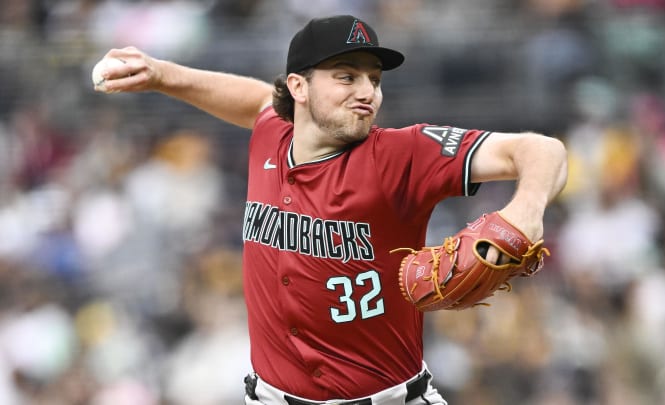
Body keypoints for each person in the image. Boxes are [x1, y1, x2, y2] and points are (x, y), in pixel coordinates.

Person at [94, 14, 568, 405]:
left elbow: (542, 151)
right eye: (346, 76)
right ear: (298, 87)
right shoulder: (272, 134)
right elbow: (258, 100)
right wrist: (161, 75)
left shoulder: (402, 154)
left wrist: (524, 211)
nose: (367, 92)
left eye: (374, 79)